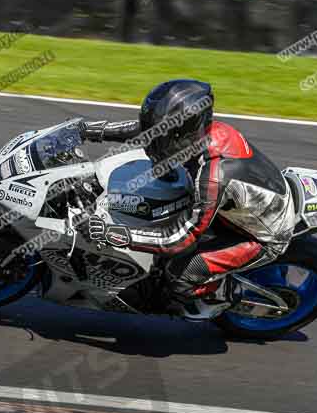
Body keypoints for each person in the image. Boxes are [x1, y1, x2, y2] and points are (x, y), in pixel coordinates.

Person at [78, 79, 297, 298]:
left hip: (260, 236)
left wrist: (116, 234)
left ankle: (215, 298)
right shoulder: (198, 132)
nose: (153, 142)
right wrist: (92, 131)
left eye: (163, 137)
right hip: (237, 208)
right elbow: (149, 131)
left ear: (184, 134)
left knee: (178, 275)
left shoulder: (213, 175)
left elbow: (180, 239)